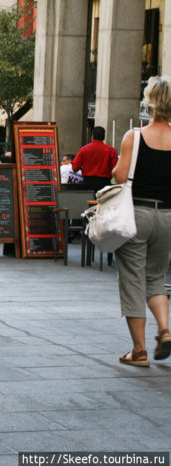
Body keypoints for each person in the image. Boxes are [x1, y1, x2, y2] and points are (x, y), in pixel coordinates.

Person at [112, 75, 171, 367]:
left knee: (132, 280)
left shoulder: (134, 137)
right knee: (156, 276)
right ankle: (164, 328)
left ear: (149, 105)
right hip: (169, 217)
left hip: (137, 214)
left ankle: (139, 350)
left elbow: (120, 177)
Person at [72, 126, 118, 192]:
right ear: (104, 137)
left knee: (88, 201)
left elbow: (75, 167)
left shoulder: (84, 149)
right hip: (104, 183)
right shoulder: (111, 150)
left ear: (92, 136)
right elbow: (115, 169)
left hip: (88, 183)